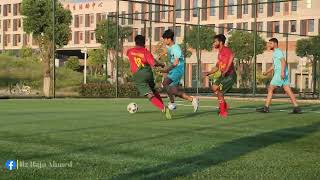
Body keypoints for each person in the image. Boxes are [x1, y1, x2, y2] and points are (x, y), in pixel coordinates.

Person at [127, 35, 172, 119]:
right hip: (148, 73)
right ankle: (162, 106)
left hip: (138, 75)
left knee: (149, 95)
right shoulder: (145, 51)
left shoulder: (130, 51)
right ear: (144, 43)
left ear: (135, 42)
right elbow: (153, 63)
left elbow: (129, 55)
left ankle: (163, 108)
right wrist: (161, 64)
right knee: (154, 91)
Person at [256, 38, 301, 114]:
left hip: (280, 73)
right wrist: (267, 72)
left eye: (271, 43)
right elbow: (274, 65)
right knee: (288, 90)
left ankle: (266, 107)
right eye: (269, 43)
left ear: (275, 44)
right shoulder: (275, 53)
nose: (269, 45)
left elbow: (283, 62)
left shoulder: (278, 52)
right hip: (283, 73)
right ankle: (296, 107)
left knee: (270, 88)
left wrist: (282, 72)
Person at [160, 29, 199, 112]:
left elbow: (175, 63)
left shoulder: (176, 49)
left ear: (169, 39)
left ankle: (172, 103)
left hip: (178, 69)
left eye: (165, 39)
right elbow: (167, 50)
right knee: (174, 91)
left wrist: (165, 70)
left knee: (165, 83)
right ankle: (192, 99)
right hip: (174, 69)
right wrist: (161, 55)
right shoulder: (169, 46)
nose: (164, 41)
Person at [204, 34, 237, 118]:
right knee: (214, 87)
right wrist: (209, 73)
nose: (214, 43)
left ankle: (223, 112)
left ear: (221, 42)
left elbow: (232, 57)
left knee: (220, 93)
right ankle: (225, 106)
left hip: (229, 76)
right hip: (223, 75)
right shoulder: (220, 52)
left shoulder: (226, 50)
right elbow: (217, 66)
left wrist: (226, 70)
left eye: (215, 41)